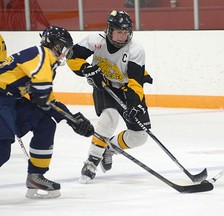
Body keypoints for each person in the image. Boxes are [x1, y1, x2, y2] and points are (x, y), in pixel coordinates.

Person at [0, 26, 94, 199]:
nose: (65, 54)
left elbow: (46, 101)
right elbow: (42, 95)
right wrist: (71, 119)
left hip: (11, 100)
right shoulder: (42, 54)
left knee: (45, 123)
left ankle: (35, 176)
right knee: (2, 150)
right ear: (56, 46)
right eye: (64, 49)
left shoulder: (46, 63)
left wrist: (72, 119)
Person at [67, 10, 153, 183]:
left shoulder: (136, 49)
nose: (123, 36)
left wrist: (134, 103)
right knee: (109, 120)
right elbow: (72, 56)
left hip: (128, 89)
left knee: (139, 137)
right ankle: (92, 160)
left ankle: (110, 148)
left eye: (126, 31)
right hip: (104, 87)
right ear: (109, 30)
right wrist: (86, 69)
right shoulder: (95, 40)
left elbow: (136, 81)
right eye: (119, 31)